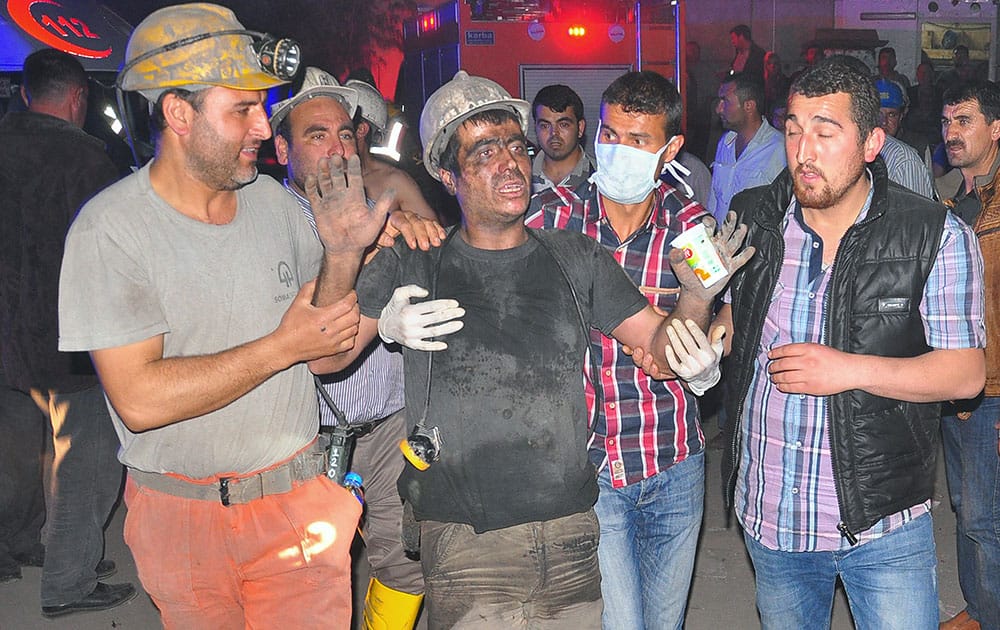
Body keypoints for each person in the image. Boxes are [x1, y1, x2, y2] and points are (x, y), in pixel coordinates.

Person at [318, 70, 751, 628]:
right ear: (448, 175)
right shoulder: (418, 257)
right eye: (483, 152)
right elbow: (328, 356)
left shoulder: (576, 256)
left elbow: (660, 351)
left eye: (514, 146)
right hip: (467, 539)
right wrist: (364, 293)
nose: (510, 163)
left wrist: (694, 301)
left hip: (571, 531)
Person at [56, 5, 413, 627]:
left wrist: (345, 255)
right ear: (178, 113)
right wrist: (280, 347)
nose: (258, 126)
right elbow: (139, 397)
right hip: (182, 518)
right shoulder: (112, 230)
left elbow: (325, 351)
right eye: (241, 110)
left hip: (297, 505)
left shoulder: (273, 205)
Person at [719, 55, 986, 629]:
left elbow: (966, 374)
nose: (803, 152)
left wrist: (848, 368)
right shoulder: (753, 218)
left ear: (871, 143)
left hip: (883, 520)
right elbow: (734, 328)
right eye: (793, 130)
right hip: (774, 513)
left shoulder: (934, 234)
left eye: (825, 132)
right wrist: (706, 325)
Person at [527, 70, 711, 630]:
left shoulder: (693, 227)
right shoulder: (550, 217)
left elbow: (707, 319)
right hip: (592, 462)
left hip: (673, 457)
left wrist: (704, 353)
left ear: (671, 148)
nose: (619, 151)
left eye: (639, 140)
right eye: (610, 134)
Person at [269, 66, 429, 628]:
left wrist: (414, 236)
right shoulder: (264, 222)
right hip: (302, 438)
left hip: (388, 425)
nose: (338, 148)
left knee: (406, 561)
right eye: (317, 135)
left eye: (345, 133)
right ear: (282, 148)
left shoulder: (385, 210)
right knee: (308, 573)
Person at [0, 48, 133, 616]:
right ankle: (68, 579)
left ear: (26, 93)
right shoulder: (92, 167)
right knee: (85, 462)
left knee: (16, 455)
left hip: (7, 342)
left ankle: (17, 547)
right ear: (78, 97)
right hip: (72, 344)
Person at [936, 80, 1000, 630]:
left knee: (984, 514)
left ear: (996, 128)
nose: (952, 133)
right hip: (953, 378)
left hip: (996, 384)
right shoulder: (946, 195)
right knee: (964, 504)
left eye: (965, 121)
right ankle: (979, 608)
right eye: (947, 123)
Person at [345, 76, 441, 223]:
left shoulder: (394, 181)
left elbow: (434, 237)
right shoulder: (322, 177)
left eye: (344, 132)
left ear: (361, 130)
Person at [709, 72, 786, 222]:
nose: (718, 109)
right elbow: (714, 201)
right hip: (719, 242)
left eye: (725, 101)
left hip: (754, 244)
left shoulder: (778, 149)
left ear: (748, 106)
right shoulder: (725, 143)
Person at [530, 83, 595, 194]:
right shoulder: (522, 177)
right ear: (535, 128)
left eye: (563, 125)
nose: (554, 133)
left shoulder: (602, 178)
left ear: (580, 128)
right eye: (545, 126)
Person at [763, 50, 789, 117]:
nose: (772, 66)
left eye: (775, 63)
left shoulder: (784, 81)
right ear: (766, 65)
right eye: (769, 63)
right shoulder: (761, 81)